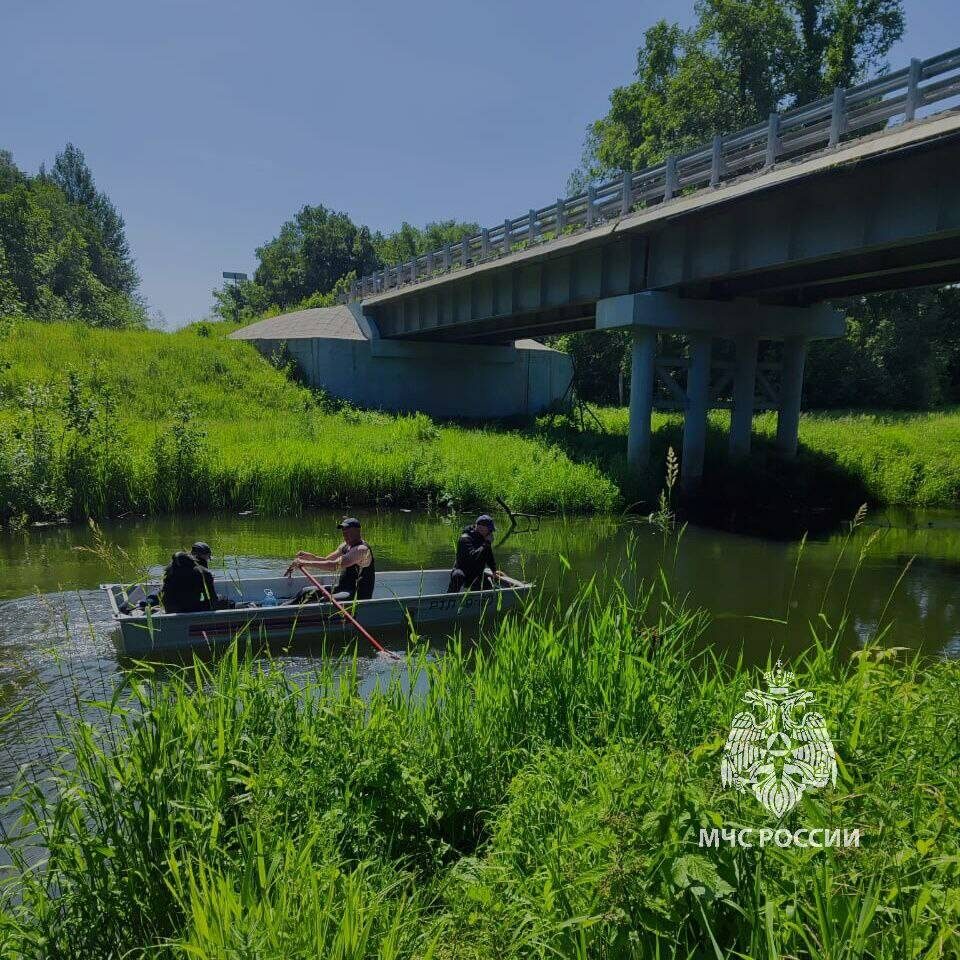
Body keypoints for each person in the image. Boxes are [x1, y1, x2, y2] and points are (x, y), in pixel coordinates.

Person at [284, 518, 376, 602]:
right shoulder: (345, 545)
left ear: (357, 531)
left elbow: (334, 565)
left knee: (325, 600)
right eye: (344, 532)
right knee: (306, 591)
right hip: (341, 588)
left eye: (348, 532)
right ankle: (283, 609)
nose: (345, 535)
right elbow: (327, 559)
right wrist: (311, 557)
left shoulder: (361, 550)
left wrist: (305, 563)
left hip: (358, 595)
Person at [447, 514, 500, 593]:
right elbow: (473, 557)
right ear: (480, 527)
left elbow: (489, 556)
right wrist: (486, 543)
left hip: (476, 573)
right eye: (489, 530)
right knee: (458, 575)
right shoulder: (465, 539)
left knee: (487, 588)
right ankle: (449, 598)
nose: (491, 532)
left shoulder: (484, 539)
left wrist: (494, 571)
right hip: (463, 571)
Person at [190, 541, 233, 609]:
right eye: (208, 557)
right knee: (228, 601)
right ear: (205, 556)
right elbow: (210, 597)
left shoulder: (183, 566)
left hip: (181, 605)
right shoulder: (204, 572)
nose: (208, 559)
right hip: (199, 605)